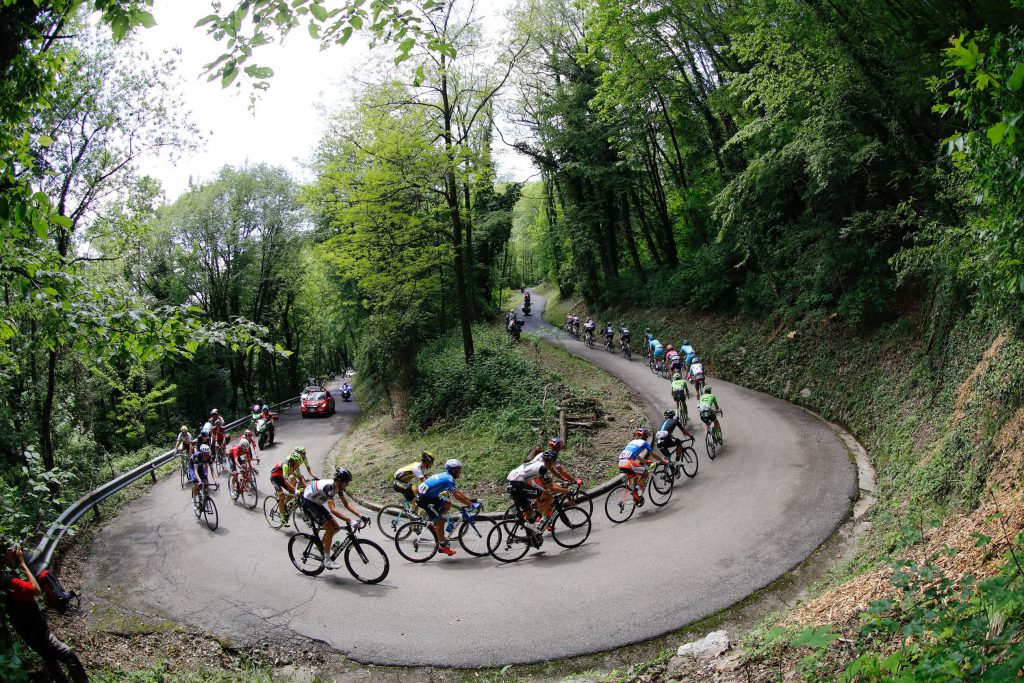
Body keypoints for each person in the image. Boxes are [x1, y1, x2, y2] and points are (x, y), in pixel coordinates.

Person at [2, 545, 87, 682]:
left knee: (50, 660)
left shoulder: (4, 580)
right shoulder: (9, 582)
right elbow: (36, 590)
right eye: (9, 552)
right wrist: (23, 563)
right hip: (37, 630)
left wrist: (12, 563)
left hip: (26, 632)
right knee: (68, 654)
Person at [300, 468, 369, 570]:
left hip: (316, 502)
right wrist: (350, 521)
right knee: (330, 529)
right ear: (340, 481)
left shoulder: (338, 487)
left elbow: (346, 505)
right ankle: (327, 561)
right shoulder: (330, 488)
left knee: (335, 528)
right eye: (346, 482)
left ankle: (320, 546)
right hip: (308, 502)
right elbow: (333, 509)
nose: (347, 485)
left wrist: (361, 516)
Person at [415, 459, 479, 557]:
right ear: (453, 470)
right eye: (459, 470)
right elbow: (457, 496)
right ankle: (443, 546)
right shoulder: (448, 479)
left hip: (428, 496)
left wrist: (469, 499)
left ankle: (434, 522)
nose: (460, 472)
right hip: (424, 499)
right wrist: (471, 504)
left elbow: (457, 492)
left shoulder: (447, 476)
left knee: (447, 504)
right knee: (441, 521)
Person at [506, 451, 571, 526]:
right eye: (554, 462)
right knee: (548, 497)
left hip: (512, 482)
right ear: (551, 462)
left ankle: (529, 533)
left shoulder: (537, 464)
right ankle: (535, 517)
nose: (554, 464)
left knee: (528, 510)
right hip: (517, 484)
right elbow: (551, 488)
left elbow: (544, 484)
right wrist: (568, 491)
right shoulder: (543, 468)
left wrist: (553, 486)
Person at [617, 428, 669, 504]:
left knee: (636, 474)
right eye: (647, 435)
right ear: (644, 436)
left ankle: (636, 496)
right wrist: (663, 461)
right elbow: (653, 454)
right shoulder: (644, 443)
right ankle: (635, 492)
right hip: (628, 463)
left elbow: (637, 456)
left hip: (621, 463)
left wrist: (645, 461)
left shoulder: (632, 442)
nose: (647, 437)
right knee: (646, 473)